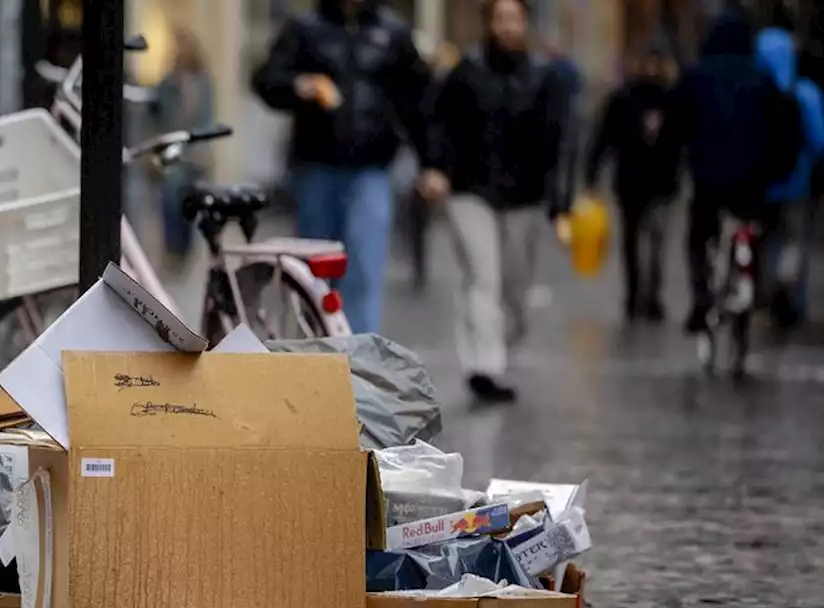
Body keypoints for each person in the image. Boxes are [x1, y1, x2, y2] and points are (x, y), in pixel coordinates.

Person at [418, 0, 575, 404]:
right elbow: (435, 121)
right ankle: (485, 366)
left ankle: (499, 352)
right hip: (470, 190)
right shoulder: (465, 72)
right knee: (482, 277)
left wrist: (561, 204)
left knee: (515, 291)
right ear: (489, 23)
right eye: (500, 19)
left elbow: (562, 143)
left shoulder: (546, 78)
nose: (507, 27)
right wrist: (434, 167)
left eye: (514, 19)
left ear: (525, 24)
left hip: (524, 197)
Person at [253, 0, 432, 334]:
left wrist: (431, 162)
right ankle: (313, 351)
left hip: (372, 167)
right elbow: (265, 80)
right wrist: (297, 85)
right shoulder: (305, 29)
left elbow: (419, 102)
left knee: (363, 266)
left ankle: (356, 359)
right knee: (313, 272)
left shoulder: (393, 33)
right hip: (315, 168)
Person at [659, 9, 784, 333]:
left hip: (708, 177)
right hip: (752, 180)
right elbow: (784, 127)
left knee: (700, 236)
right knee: (752, 233)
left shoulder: (696, 76)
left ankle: (702, 296)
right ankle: (748, 288)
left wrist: (671, 167)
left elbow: (673, 127)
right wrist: (776, 169)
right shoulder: (762, 78)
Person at [585, 45, 680, 322]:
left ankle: (652, 296)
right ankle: (634, 292)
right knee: (632, 242)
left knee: (657, 242)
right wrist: (593, 173)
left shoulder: (673, 100)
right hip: (630, 184)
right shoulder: (623, 99)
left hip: (663, 184)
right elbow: (603, 137)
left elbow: (686, 136)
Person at [756, 5, 824, 329]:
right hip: (798, 182)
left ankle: (766, 293)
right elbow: (819, 139)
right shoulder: (805, 92)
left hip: (760, 183)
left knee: (767, 238)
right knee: (796, 240)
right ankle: (791, 297)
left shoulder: (753, 89)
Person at [151, 28, 215, 261]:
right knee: (169, 201)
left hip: (194, 150)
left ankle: (184, 249)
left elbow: (207, 116)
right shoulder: (168, 82)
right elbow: (159, 113)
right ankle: (172, 247)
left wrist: (204, 147)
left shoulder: (203, 81)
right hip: (173, 148)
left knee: (189, 202)